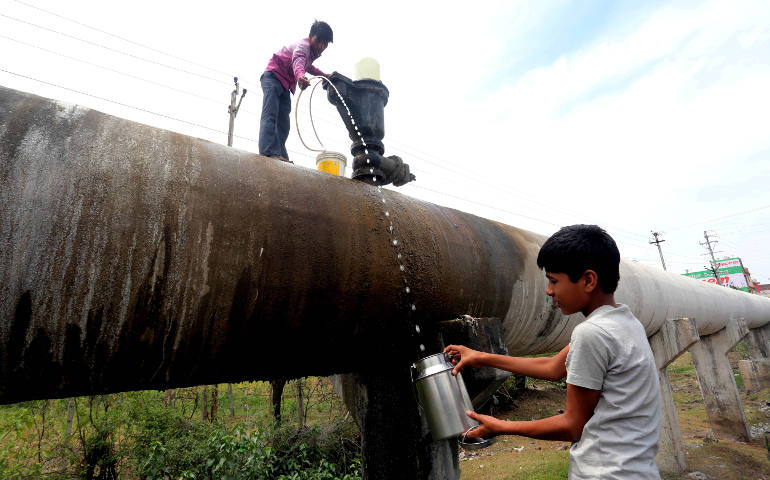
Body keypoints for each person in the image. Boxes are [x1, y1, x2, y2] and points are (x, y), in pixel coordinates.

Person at [445, 224, 661, 479]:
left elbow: (572, 426)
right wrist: (480, 357)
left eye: (553, 280)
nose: (549, 290)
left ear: (589, 280)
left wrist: (501, 426)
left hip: (606, 472)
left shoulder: (592, 333)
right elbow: (554, 367)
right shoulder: (624, 322)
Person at [258, 20, 333, 162]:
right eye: (319, 41)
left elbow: (308, 66)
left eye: (325, 44)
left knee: (283, 122)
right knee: (271, 115)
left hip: (284, 85)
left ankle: (279, 154)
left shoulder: (311, 53)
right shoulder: (303, 47)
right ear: (311, 35)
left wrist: (323, 75)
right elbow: (298, 62)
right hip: (273, 77)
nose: (321, 46)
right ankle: (268, 152)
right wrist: (300, 77)